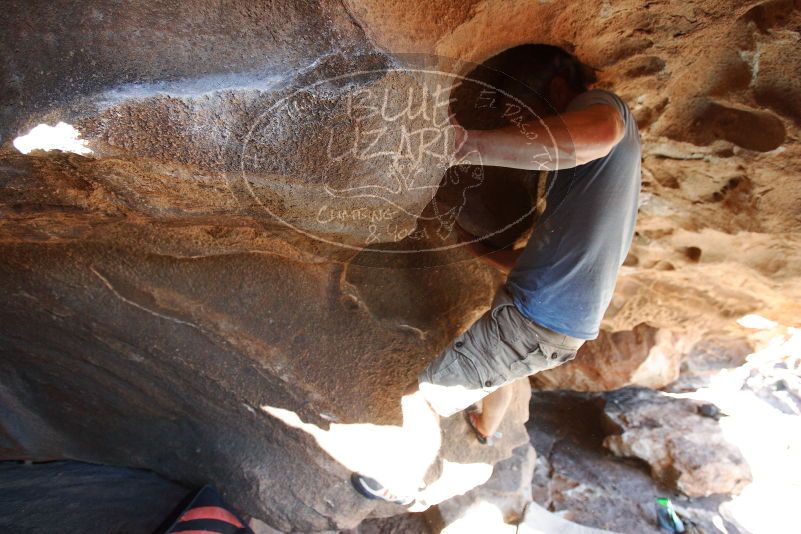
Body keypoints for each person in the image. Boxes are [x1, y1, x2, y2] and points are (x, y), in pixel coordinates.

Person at [352, 45, 641, 505]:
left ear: (559, 87)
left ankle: (403, 485)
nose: (518, 121)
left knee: (423, 399)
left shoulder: (600, 107)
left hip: (538, 319)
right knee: (505, 367)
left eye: (521, 108)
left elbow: (600, 131)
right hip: (552, 314)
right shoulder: (607, 173)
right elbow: (556, 254)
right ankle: (486, 425)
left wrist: (464, 144)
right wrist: (484, 251)